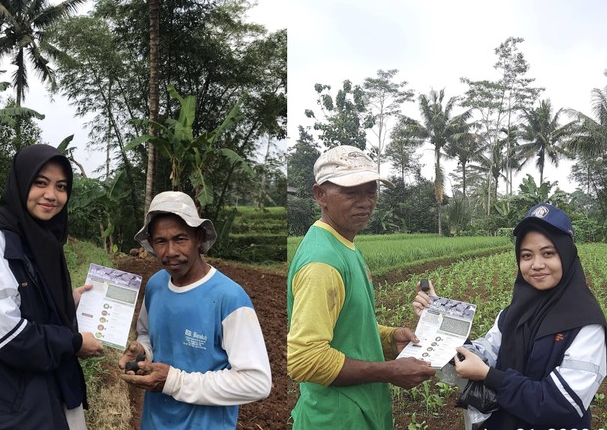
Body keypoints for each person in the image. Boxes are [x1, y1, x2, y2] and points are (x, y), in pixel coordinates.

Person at [414, 203, 607, 430]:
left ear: (566, 254)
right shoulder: (512, 314)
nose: (536, 265)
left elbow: (561, 404)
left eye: (548, 253)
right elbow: (484, 354)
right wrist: (440, 320)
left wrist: (490, 376)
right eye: (527, 255)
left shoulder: (586, 325)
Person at [287, 145, 435, 429]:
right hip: (336, 419)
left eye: (370, 191)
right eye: (351, 192)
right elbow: (305, 359)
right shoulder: (323, 262)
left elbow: (345, 327)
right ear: (320, 195)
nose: (365, 202)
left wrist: (389, 340)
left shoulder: (344, 244)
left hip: (357, 412)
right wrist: (389, 371)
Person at [0, 144, 104, 429]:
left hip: (46, 392)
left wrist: (64, 302)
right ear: (21, 182)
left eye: (61, 186)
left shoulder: (40, 239)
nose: (52, 195)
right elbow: (8, 337)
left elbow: (25, 296)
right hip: (10, 405)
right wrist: (74, 342)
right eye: (40, 183)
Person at [118, 191, 271, 430]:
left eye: (180, 239)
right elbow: (146, 334)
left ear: (199, 237)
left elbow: (256, 382)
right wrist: (141, 352)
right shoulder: (156, 285)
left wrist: (174, 382)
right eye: (160, 241)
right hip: (154, 422)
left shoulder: (229, 298)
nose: (170, 252)